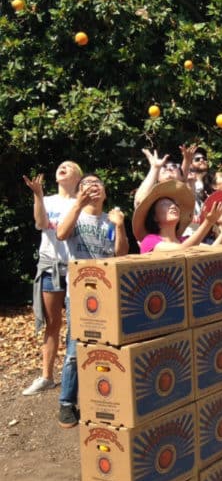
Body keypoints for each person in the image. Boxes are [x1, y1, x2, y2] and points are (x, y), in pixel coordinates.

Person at [55, 173, 129, 427]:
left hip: (107, 295)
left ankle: (102, 401)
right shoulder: (75, 215)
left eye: (97, 184)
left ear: (105, 193)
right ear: (78, 192)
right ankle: (66, 403)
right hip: (78, 295)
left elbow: (121, 254)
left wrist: (120, 225)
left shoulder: (111, 220)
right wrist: (77, 203)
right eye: (86, 184)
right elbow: (62, 234)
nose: (92, 187)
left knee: (107, 350)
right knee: (76, 350)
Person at [21, 161, 82, 396]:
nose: (62, 167)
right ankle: (47, 376)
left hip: (77, 270)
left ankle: (75, 378)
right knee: (53, 324)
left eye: (69, 166)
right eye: (60, 166)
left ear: (78, 176)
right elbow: (40, 224)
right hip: (51, 268)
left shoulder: (81, 203)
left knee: (78, 327)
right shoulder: (47, 201)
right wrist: (38, 195)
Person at [132, 180, 222, 253]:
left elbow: (215, 250)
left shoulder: (185, 240)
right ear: (154, 217)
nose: (173, 206)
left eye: (175, 204)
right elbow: (182, 251)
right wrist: (208, 222)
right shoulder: (149, 241)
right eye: (165, 204)